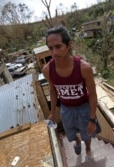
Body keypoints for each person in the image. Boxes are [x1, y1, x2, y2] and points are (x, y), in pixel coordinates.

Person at [42, 25, 100, 160]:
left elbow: (92, 94)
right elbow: (52, 90)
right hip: (66, 108)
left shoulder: (83, 68)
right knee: (71, 134)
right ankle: (77, 142)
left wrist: (92, 119)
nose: (54, 52)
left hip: (83, 107)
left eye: (58, 46)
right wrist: (52, 113)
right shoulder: (47, 70)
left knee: (87, 134)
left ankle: (88, 148)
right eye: (50, 48)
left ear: (69, 45)